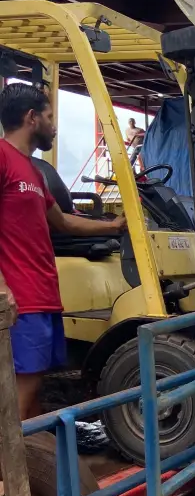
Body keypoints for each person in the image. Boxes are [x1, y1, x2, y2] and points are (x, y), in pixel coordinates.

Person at [0, 83, 126, 420]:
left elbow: (63, 221)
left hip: (43, 295)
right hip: (21, 298)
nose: (54, 126)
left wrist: (113, 226)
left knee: (33, 384)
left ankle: (33, 449)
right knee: (22, 390)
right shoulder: (2, 158)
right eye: (50, 117)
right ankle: (11, 455)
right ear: (32, 118)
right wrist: (2, 288)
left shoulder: (34, 171)